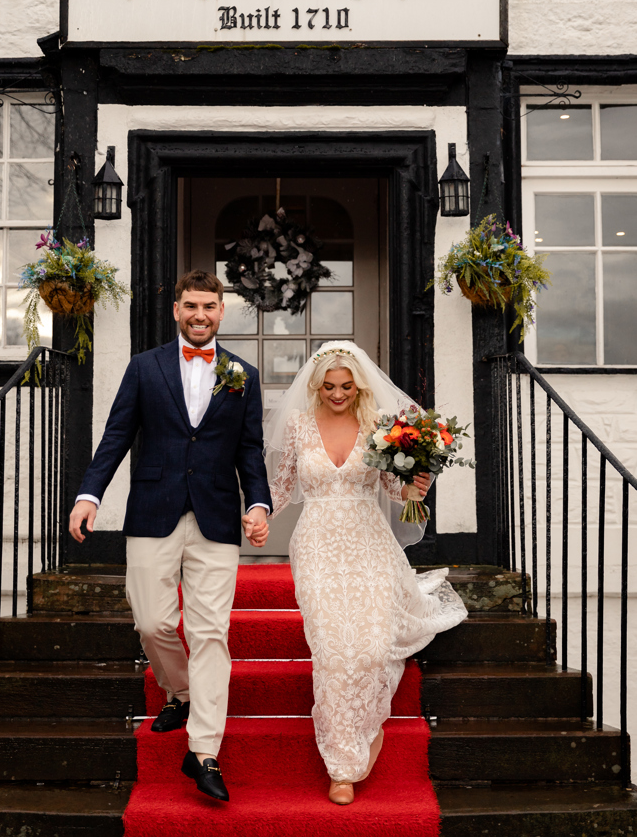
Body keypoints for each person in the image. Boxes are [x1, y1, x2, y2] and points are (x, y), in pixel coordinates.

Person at [68, 269, 272, 803]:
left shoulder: (243, 375)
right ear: (176, 310)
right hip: (153, 511)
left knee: (210, 634)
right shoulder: (145, 368)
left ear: (222, 311)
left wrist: (257, 503)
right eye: (191, 306)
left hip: (217, 520)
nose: (200, 315)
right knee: (152, 621)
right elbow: (116, 434)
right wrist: (89, 496)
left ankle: (204, 751)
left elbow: (250, 451)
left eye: (209, 306)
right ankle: (178, 691)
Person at [266, 341, 467, 806]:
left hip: (369, 542)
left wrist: (419, 483)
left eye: (347, 386)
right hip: (316, 544)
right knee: (334, 650)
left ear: (358, 386)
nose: (338, 394)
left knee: (373, 646)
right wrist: (255, 517)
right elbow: (280, 488)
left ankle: (363, 730)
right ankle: (342, 765)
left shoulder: (380, 427)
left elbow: (395, 494)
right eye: (330, 386)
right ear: (317, 385)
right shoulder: (298, 425)